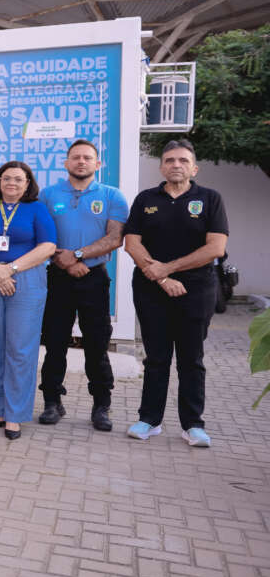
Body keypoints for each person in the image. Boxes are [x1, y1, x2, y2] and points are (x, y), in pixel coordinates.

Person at [123, 140, 228, 447]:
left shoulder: (210, 199)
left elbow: (215, 248)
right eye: (169, 160)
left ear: (194, 168)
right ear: (161, 167)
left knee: (191, 359)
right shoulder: (146, 199)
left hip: (197, 290)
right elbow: (132, 244)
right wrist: (162, 278)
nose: (176, 165)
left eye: (183, 160)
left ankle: (193, 425)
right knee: (156, 357)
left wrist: (168, 268)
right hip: (151, 289)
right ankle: (149, 420)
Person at [37, 140, 128, 432]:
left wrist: (77, 255)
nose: (81, 162)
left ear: (97, 164)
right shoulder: (48, 195)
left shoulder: (112, 195)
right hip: (57, 277)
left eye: (87, 158)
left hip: (94, 278)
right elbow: (41, 235)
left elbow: (115, 238)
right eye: (75, 157)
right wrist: (64, 262)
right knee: (55, 342)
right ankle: (52, 401)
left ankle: (101, 405)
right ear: (66, 163)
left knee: (96, 344)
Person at [0, 161, 57, 440]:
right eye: (6, 178)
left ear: (28, 184)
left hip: (26, 279)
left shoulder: (36, 209)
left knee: (20, 348)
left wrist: (11, 269)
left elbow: (48, 246)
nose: (12, 183)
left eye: (18, 179)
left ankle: (15, 414)